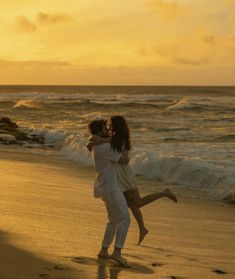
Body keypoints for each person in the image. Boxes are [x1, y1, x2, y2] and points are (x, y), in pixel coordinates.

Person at [87, 115, 177, 245]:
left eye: (111, 125)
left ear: (117, 126)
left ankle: (164, 193)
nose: (109, 127)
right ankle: (142, 228)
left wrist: (97, 139)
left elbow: (111, 145)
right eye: (108, 126)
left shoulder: (118, 138)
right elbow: (97, 141)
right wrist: (91, 141)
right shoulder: (111, 137)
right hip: (116, 175)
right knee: (130, 203)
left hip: (124, 174)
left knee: (137, 202)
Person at [88, 119, 131, 268]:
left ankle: (104, 250)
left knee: (113, 219)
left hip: (104, 186)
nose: (108, 129)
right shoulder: (105, 147)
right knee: (125, 219)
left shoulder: (98, 145)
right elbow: (125, 160)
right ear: (99, 132)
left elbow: (100, 141)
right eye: (105, 128)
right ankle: (117, 252)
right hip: (111, 187)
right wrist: (125, 149)